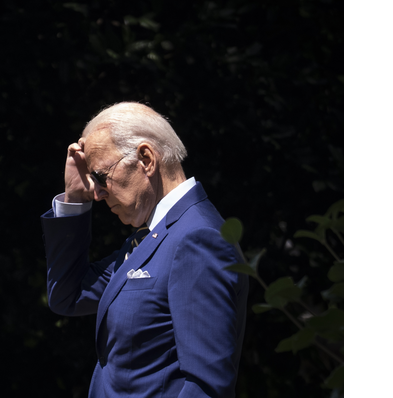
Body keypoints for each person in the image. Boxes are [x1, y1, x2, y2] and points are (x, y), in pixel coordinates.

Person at [40, 102, 248, 397]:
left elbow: (206, 386)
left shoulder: (197, 239)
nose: (97, 193)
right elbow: (68, 296)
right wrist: (74, 198)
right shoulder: (156, 234)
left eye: (100, 176)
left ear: (146, 159)